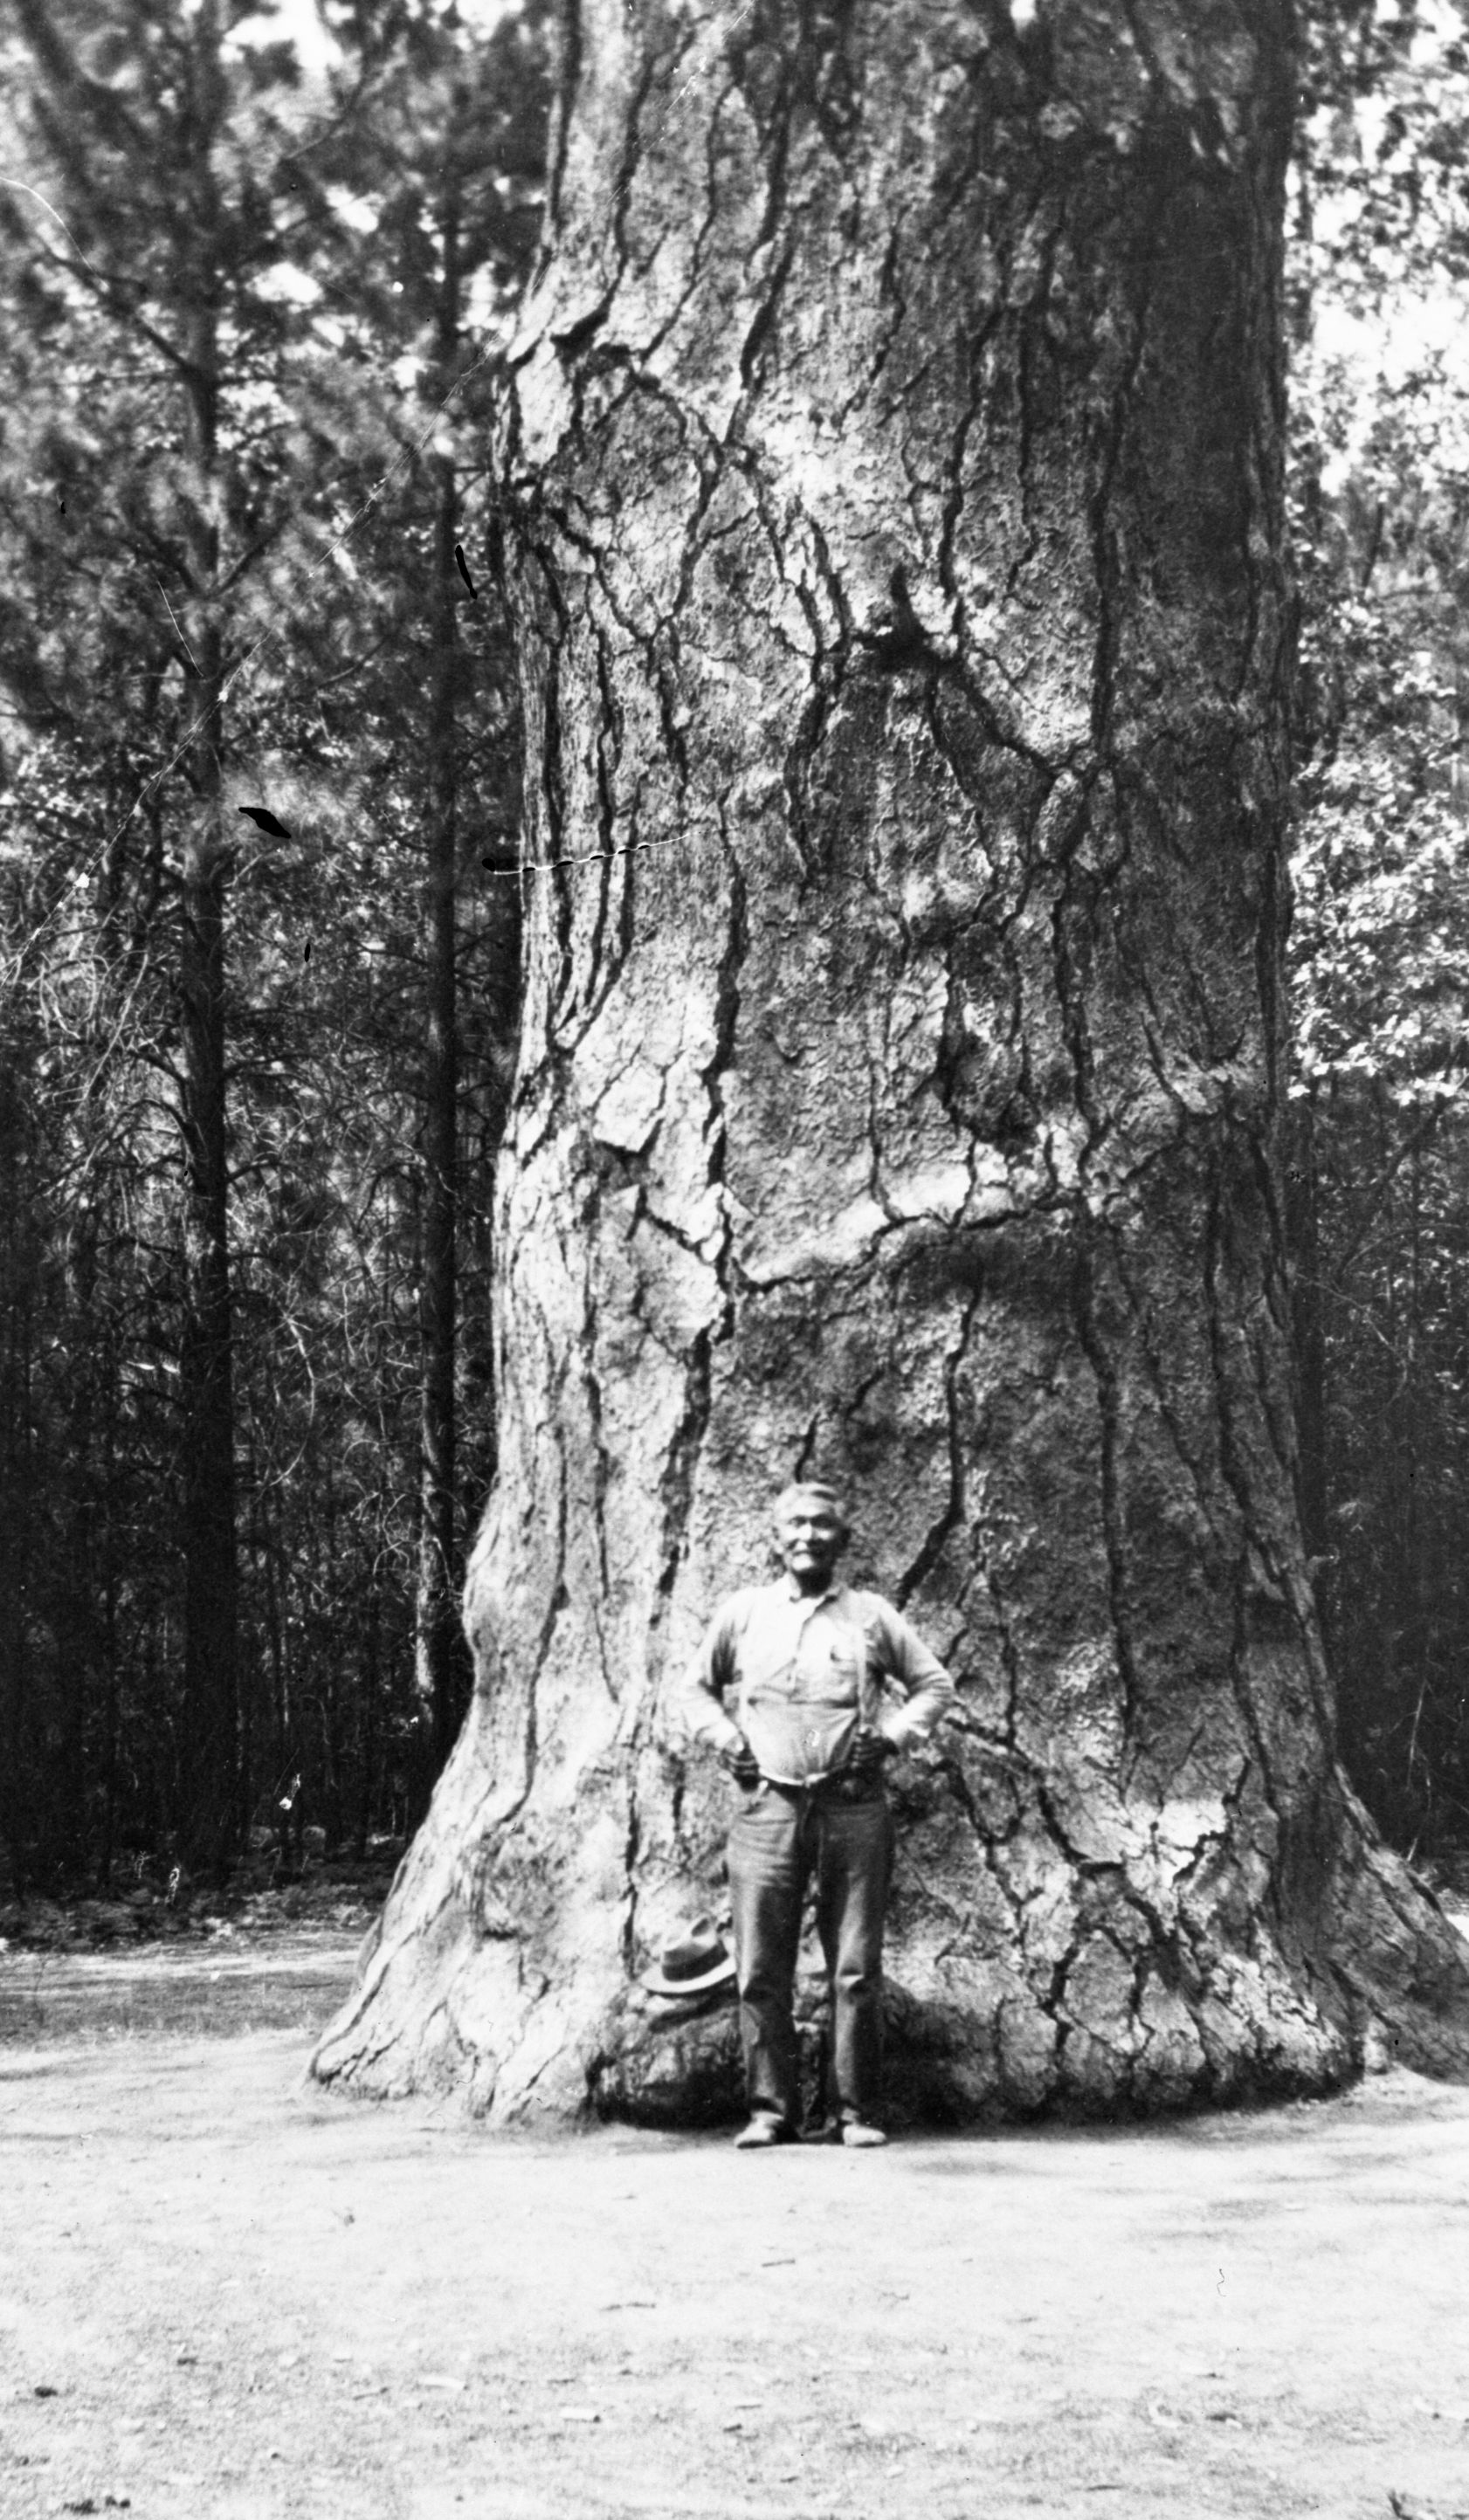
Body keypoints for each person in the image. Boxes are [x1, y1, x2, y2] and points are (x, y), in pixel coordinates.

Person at [677, 1479, 957, 2149]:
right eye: (795, 1525)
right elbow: (694, 1690)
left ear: (843, 1539)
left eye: (822, 1525)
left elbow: (933, 1685)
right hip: (767, 1807)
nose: (807, 1536)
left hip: (852, 1807)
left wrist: (890, 1736)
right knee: (760, 1968)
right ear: (776, 1540)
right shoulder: (744, 1615)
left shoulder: (869, 1617)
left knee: (854, 1967)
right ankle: (770, 2111)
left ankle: (853, 2112)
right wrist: (728, 1742)